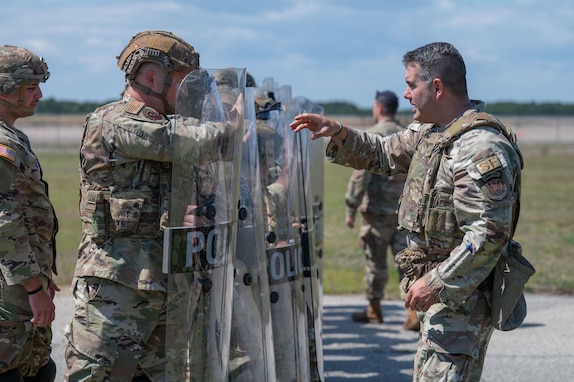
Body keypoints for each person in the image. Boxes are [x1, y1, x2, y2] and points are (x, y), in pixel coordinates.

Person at [291, 42, 523, 381]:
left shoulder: (479, 147)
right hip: (439, 293)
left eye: (412, 84)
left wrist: (437, 282)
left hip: (460, 297)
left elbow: (488, 234)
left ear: (437, 87)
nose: (406, 93)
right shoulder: (432, 132)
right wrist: (338, 132)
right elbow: (384, 153)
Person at [64, 30, 241, 381]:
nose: (192, 94)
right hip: (118, 284)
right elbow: (190, 141)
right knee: (98, 375)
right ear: (151, 78)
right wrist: (233, 124)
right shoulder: (114, 121)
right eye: (183, 82)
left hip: (165, 282)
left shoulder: (167, 125)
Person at [0, 45, 59, 382]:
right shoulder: (2, 143)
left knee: (36, 367)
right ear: (6, 89)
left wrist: (42, 278)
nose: (39, 94)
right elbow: (5, 223)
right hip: (12, 288)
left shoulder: (13, 136)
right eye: (30, 86)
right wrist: (34, 288)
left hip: (21, 282)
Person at [345, 90, 418, 330]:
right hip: (403, 215)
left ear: (378, 107)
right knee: (407, 263)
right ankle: (413, 314)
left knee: (375, 264)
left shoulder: (371, 137)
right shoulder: (407, 136)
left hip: (376, 213)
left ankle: (374, 310)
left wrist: (351, 207)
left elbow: (359, 177)